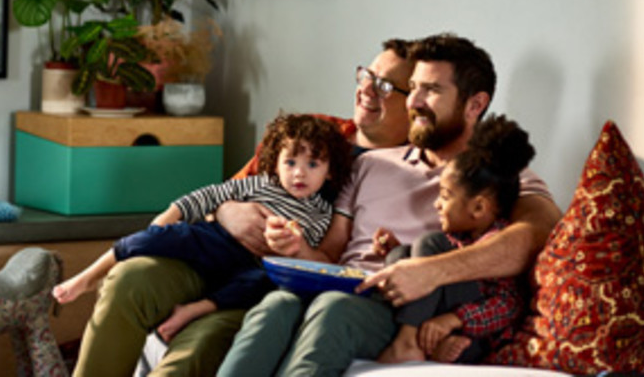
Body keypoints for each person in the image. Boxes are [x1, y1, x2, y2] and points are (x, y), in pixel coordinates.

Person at [217, 33, 562, 377]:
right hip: (342, 285)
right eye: (413, 87)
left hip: (400, 307)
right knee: (274, 307)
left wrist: (430, 271)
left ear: (474, 105)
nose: (413, 101)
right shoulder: (371, 164)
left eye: (432, 90)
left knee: (334, 310)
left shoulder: (497, 178)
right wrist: (297, 249)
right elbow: (330, 255)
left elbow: (535, 236)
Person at [72, 38, 415, 377]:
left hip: (265, 284)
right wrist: (227, 212)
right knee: (129, 279)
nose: (367, 90)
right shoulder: (313, 131)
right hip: (214, 252)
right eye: (366, 76)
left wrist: (297, 249)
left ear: (413, 101)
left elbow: (343, 263)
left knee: (202, 342)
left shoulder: (409, 172)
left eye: (384, 86)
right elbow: (228, 192)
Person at [53, 113, 351, 343]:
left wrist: (292, 244)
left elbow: (301, 258)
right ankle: (90, 276)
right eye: (290, 162)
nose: (299, 172)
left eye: (313, 164)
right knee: (158, 238)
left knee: (263, 285)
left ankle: (196, 310)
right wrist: (161, 226)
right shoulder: (259, 184)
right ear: (276, 163)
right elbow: (205, 197)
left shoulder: (322, 215)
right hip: (216, 241)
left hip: (252, 264)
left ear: (329, 171)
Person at [374, 113, 535, 364]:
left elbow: (508, 305)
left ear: (479, 208)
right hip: (444, 325)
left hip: (478, 336)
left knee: (431, 244)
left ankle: (407, 341)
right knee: (401, 255)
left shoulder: (498, 241)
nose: (437, 204)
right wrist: (395, 251)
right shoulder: (462, 236)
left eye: (446, 196)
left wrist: (456, 319)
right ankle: (431, 345)